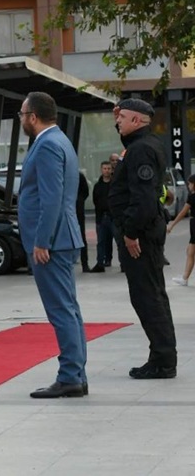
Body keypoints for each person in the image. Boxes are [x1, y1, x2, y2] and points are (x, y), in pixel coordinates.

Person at [17, 92, 87, 399]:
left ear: (33, 117)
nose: (21, 120)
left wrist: (42, 241)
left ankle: (70, 375)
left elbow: (51, 197)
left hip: (52, 243)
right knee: (69, 309)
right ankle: (77, 375)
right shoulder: (60, 140)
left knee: (61, 311)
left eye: (22, 115)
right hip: (63, 238)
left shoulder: (46, 145)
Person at [109, 98, 176, 380]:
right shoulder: (143, 145)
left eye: (122, 118)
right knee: (153, 295)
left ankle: (163, 361)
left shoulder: (140, 150)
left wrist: (130, 232)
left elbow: (144, 199)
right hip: (146, 232)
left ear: (136, 120)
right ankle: (162, 356)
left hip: (142, 236)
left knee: (147, 297)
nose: (117, 122)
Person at [167, 174, 195, 286]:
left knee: (190, 252)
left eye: (190, 183)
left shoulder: (192, 197)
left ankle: (185, 278)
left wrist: (172, 224)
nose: (188, 186)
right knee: (190, 251)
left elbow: (183, 212)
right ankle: (185, 278)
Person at [91, 161, 115, 272]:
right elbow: (95, 200)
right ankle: (100, 263)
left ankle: (123, 264)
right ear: (101, 170)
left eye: (108, 168)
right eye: (105, 168)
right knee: (101, 241)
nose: (107, 171)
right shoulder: (98, 186)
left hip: (113, 217)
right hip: (101, 217)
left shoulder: (115, 185)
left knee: (118, 241)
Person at [77, 171, 90, 272]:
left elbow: (85, 191)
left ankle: (84, 263)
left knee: (81, 237)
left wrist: (79, 200)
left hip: (77, 210)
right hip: (64, 210)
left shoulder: (79, 176)